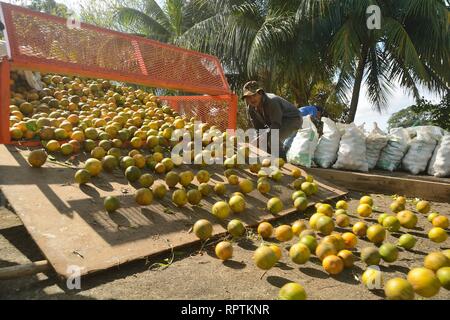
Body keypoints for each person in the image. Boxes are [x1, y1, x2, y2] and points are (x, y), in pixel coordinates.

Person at [242, 81, 302, 158]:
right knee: (264, 141)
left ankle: (282, 163)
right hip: (277, 122)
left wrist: (261, 138)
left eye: (254, 95)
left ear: (260, 93)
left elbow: (276, 124)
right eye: (248, 97)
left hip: (293, 119)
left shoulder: (272, 101)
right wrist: (257, 140)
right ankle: (270, 161)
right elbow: (259, 129)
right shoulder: (251, 109)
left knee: (273, 138)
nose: (252, 99)